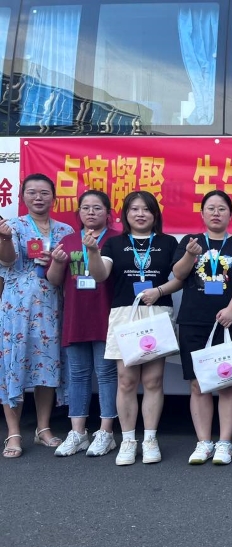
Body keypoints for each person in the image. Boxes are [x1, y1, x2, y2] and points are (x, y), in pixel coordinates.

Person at [87, 190, 181, 466]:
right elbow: (100, 274)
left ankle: (150, 439)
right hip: (125, 315)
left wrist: (159, 290)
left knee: (153, 381)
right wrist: (92, 251)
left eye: (146, 209)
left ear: (155, 214)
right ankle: (128, 440)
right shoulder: (114, 243)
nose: (140, 214)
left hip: (156, 313)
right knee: (126, 381)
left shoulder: (167, 242)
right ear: (125, 214)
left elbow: (180, 277)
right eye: (134, 209)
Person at [172, 190, 232, 466]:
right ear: (202, 214)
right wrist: (189, 255)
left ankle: (225, 443)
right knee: (198, 385)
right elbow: (179, 274)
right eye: (211, 208)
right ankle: (204, 442)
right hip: (194, 321)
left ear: (231, 214)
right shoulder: (190, 241)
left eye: (222, 208)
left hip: (230, 321)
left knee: (227, 383)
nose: (216, 213)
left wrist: (231, 309)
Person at [0, 174, 73, 458]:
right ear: (22, 197)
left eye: (44, 192)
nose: (38, 197)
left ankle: (43, 428)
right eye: (32, 192)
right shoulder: (13, 226)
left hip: (51, 306)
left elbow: (73, 271)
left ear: (54, 197)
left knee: (47, 366)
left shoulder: (65, 230)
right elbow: (7, 260)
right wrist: (5, 238)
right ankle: (13, 433)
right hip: (17, 308)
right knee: (13, 367)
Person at [46, 191, 120, 457]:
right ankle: (77, 433)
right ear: (78, 212)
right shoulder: (67, 240)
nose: (91, 212)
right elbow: (54, 280)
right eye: (86, 207)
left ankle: (106, 432)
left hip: (106, 316)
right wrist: (57, 262)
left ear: (108, 213)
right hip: (76, 316)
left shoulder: (116, 240)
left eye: (97, 208)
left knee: (106, 374)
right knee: (77, 375)